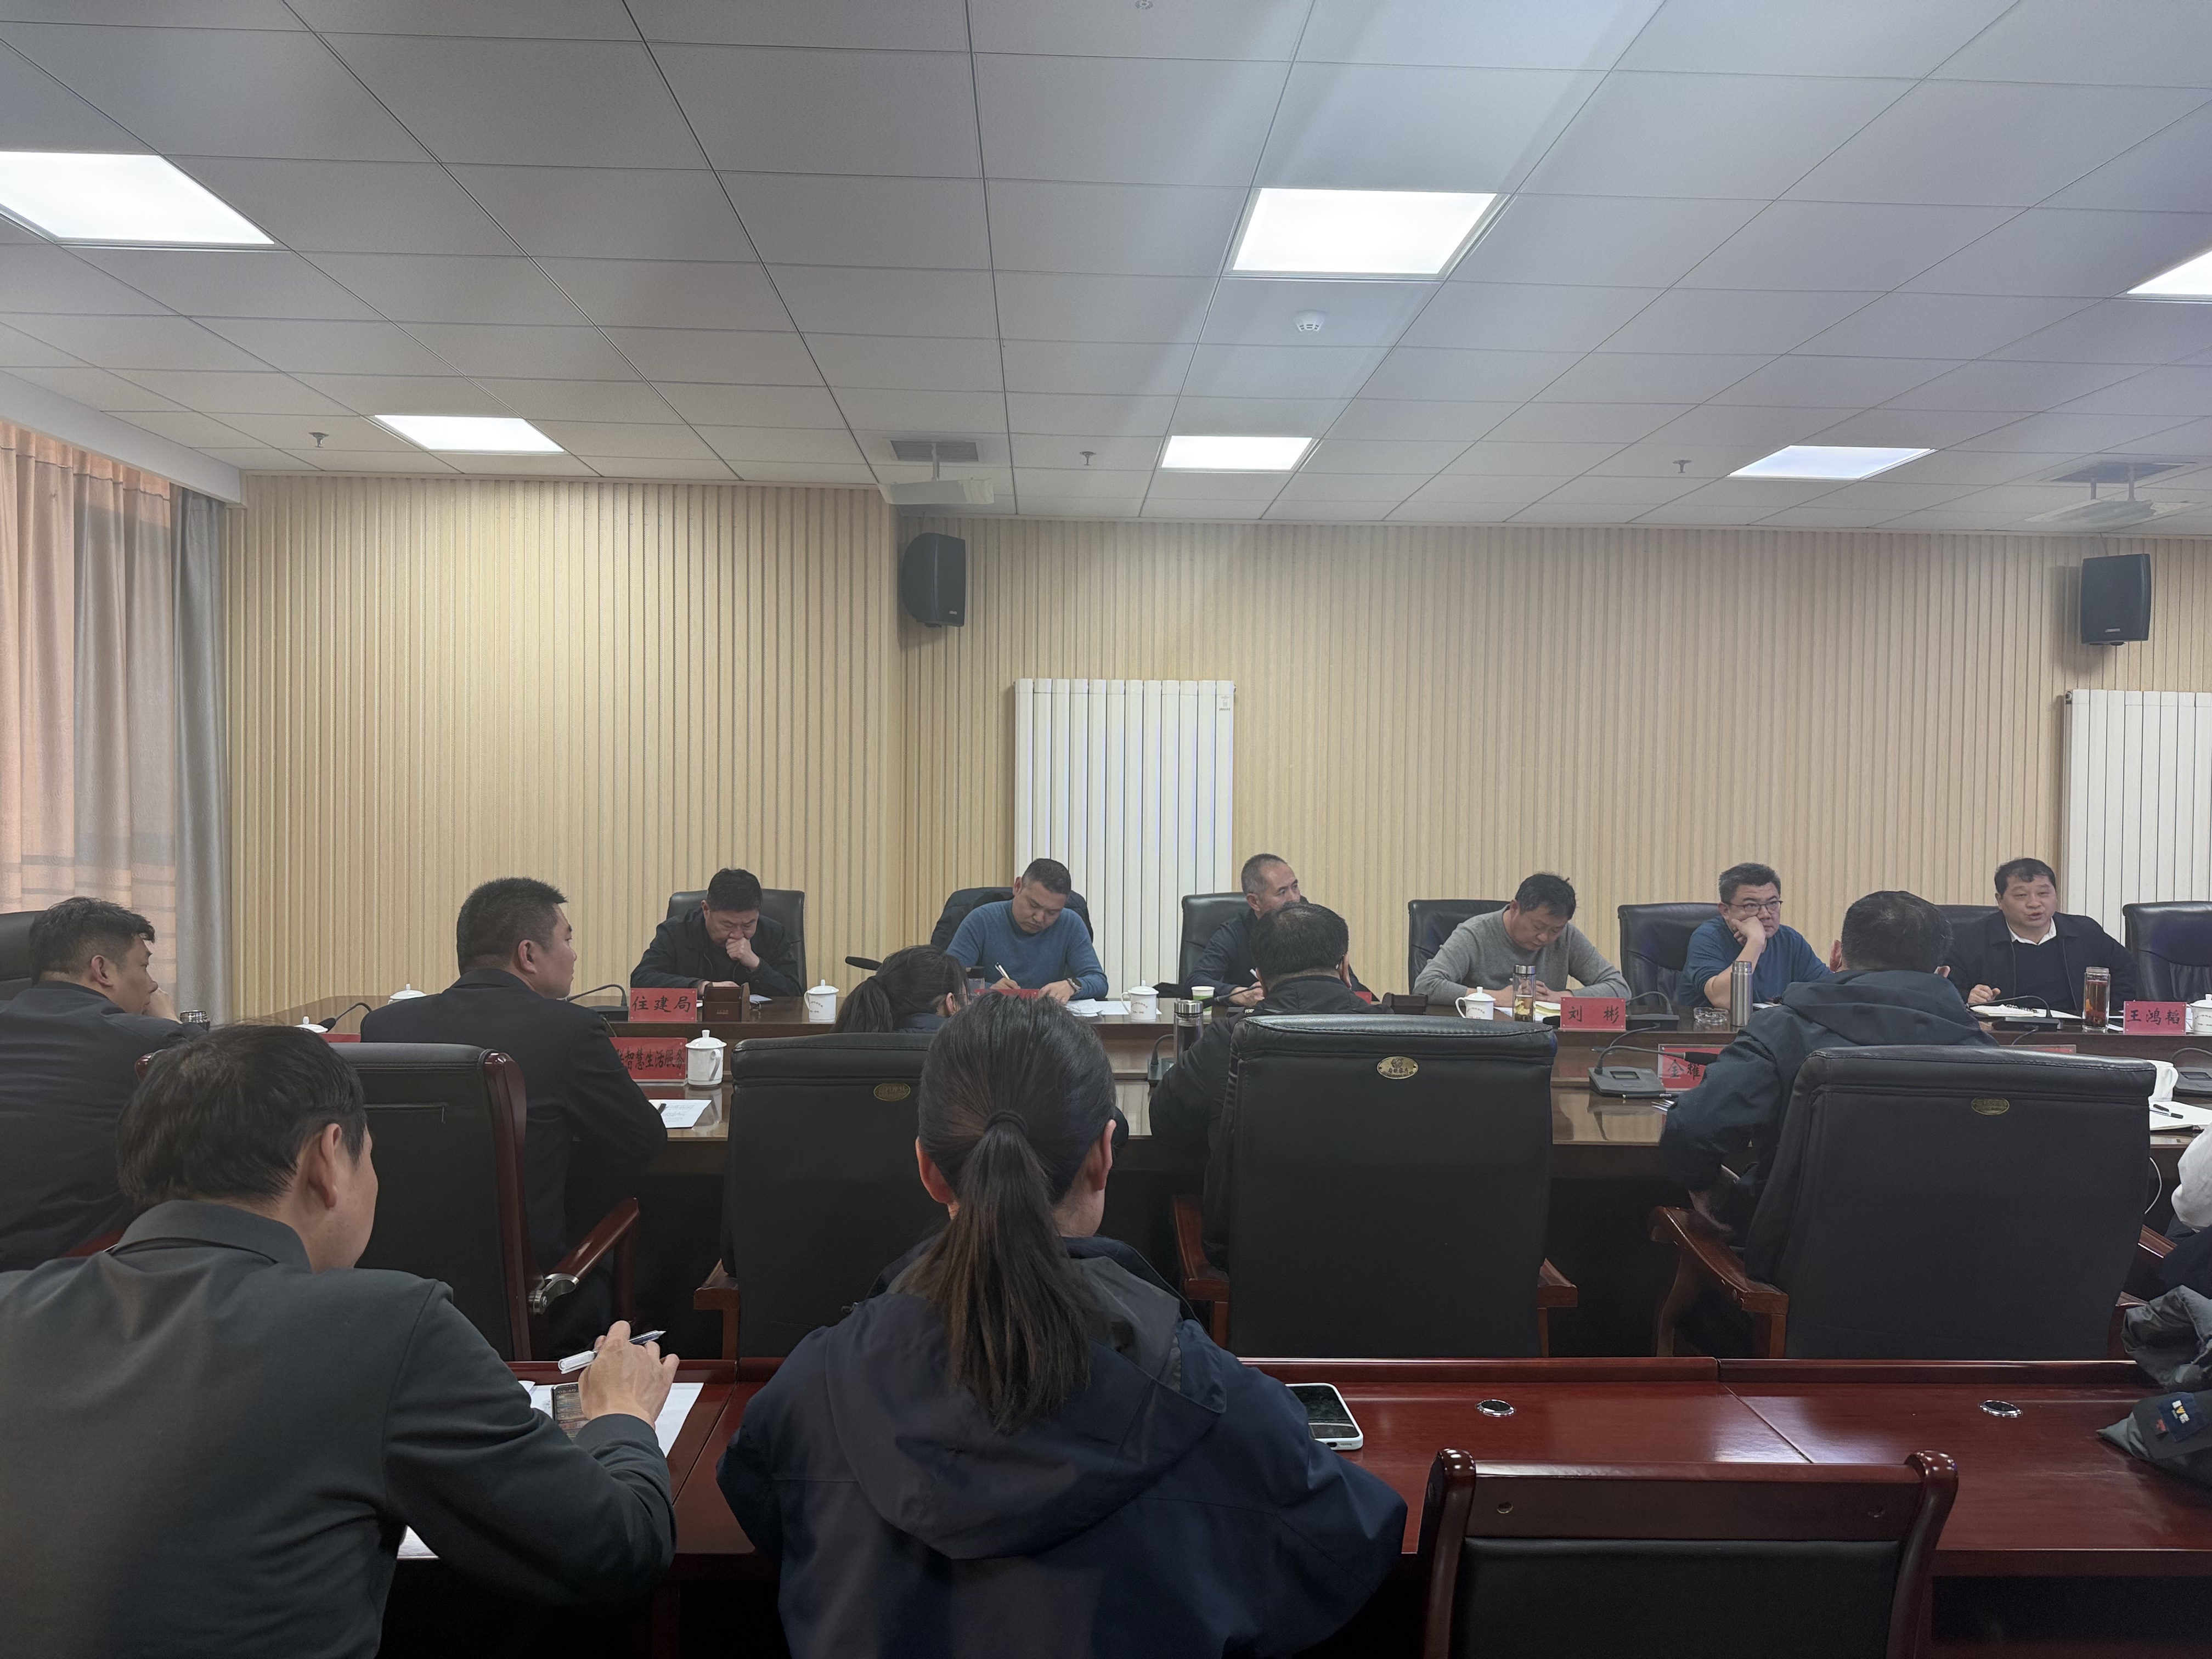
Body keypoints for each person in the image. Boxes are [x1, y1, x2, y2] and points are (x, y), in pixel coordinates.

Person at [718, 995, 1403, 1658]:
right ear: (1105, 1154)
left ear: (929, 1169)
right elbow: (1356, 1542)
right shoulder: (1216, 1405)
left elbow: (764, 1509)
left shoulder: (813, 1392)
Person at [0, 1024, 678, 1659]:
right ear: (328, 1158)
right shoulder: (384, 1324)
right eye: (371, 1158)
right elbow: (617, 1550)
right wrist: (621, 1414)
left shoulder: (13, 1302)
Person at [362, 878, 665, 1343]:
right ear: (528, 954)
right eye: (567, 939)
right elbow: (644, 1142)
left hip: (405, 1304)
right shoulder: (570, 1029)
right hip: (533, 1303)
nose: (574, 955)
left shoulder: (385, 1028)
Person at [1661, 890, 1993, 1254]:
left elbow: (1691, 1129)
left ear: (1835, 957)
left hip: (1795, 1263)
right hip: (1954, 1263)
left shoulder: (1781, 1030)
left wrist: (1711, 1189)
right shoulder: (1982, 1051)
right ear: (1942, 974)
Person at [0, 898, 190, 1270]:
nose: (152, 985)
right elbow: (223, 1087)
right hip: (69, 1273)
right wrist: (170, 1023)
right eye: (144, 966)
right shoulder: (149, 1040)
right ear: (102, 970)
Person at [1153, 902, 1365, 1160]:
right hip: (1376, 1187)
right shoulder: (1396, 1032)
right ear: (1345, 967)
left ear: (1261, 980)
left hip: (1254, 1188)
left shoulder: (1228, 1038)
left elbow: (1166, 1124)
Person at [1944, 857, 2141, 1015]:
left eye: (2043, 894)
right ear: (2000, 901)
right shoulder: (1969, 940)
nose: (2034, 903)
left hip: (2075, 1032)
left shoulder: (2085, 932)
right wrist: (1969, 998)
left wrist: (2104, 1011)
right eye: (2021, 895)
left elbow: (2126, 970)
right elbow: (1945, 988)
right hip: (2002, 1035)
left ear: (2056, 895)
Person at [1413, 873, 1630, 1005]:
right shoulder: (1475, 934)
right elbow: (1426, 985)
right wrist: (1496, 998)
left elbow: (1620, 989)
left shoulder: (1567, 937)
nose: (1545, 937)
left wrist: (1560, 997)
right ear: (1515, 908)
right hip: (1482, 1041)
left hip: (1547, 1041)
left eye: (1555, 930)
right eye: (1538, 927)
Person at [1192, 853, 1367, 1006]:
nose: (1294, 899)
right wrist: (1240, 995)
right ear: (1254, 902)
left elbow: (1351, 983)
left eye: (1295, 887)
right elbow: (1196, 981)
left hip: (1315, 1017)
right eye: (1282, 892)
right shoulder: (1234, 933)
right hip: (1260, 1020)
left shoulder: (1314, 924)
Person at [946, 857, 1108, 1003]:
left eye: (1052, 912)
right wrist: (989, 989)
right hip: (992, 1018)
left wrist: (1071, 986)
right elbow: (948, 978)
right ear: (1018, 887)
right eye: (1033, 905)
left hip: (1049, 1021)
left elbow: (1099, 981)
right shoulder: (981, 920)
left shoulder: (1070, 924)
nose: (1039, 918)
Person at [1681, 861, 1835, 1011]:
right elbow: (1725, 1001)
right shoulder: (1708, 938)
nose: (1766, 914)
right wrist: (1755, 942)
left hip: (1769, 1026)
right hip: (1711, 1028)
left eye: (1773, 903)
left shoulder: (1790, 940)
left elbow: (1829, 992)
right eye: (1751, 905)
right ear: (1726, 911)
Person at [631, 867, 803, 998]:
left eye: (748, 925)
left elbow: (794, 994)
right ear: (706, 910)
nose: (738, 935)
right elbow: (641, 980)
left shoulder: (773, 934)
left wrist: (756, 965)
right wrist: (702, 987)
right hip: (691, 1028)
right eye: (728, 925)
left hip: (756, 1029)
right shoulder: (675, 932)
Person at [835, 945, 969, 1034]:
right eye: (964, 999)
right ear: (951, 1004)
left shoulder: (840, 1046)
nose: (969, 1005)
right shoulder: (969, 1052)